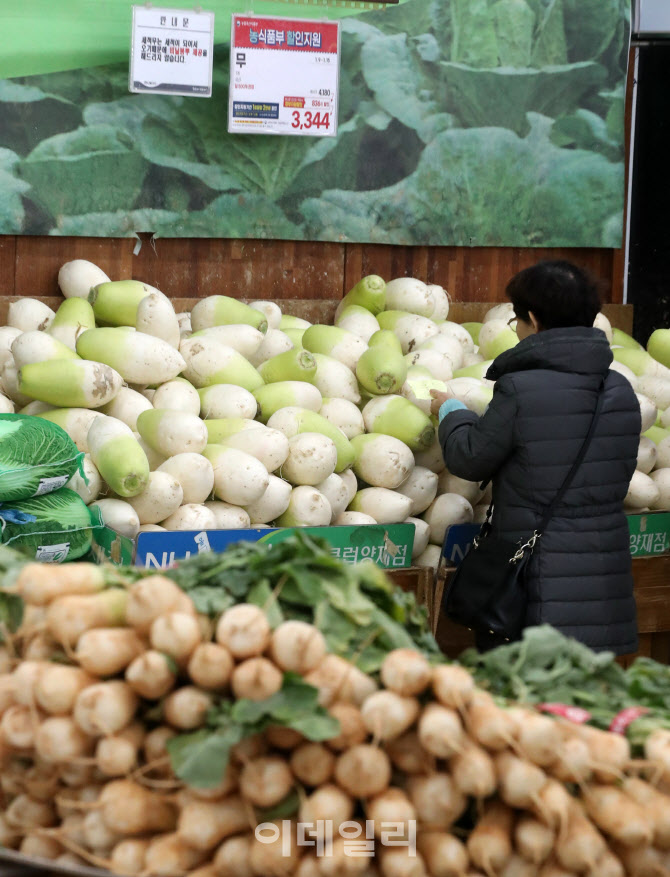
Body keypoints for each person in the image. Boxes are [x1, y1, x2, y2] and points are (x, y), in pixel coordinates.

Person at [431, 260, 641, 655]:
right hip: (603, 583)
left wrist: (452, 412)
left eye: (516, 321)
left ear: (531, 319)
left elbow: (469, 458)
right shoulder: (620, 392)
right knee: (583, 708)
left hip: (535, 582)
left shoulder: (521, 389)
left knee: (524, 705)